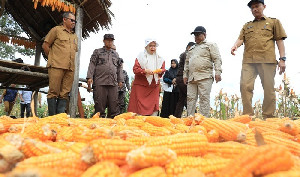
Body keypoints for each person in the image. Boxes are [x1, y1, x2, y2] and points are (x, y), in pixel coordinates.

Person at [231, 0, 287, 118]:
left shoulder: (273, 22)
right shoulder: (247, 25)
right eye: (252, 8)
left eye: (257, 6)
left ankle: (268, 117)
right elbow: (241, 38)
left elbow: (279, 40)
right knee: (244, 86)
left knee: (268, 89)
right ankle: (248, 116)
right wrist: (235, 45)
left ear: (264, 6)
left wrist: (282, 59)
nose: (254, 9)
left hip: (267, 60)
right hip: (248, 61)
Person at [42, 12, 78, 116]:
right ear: (64, 20)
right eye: (72, 20)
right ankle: (52, 118)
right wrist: (53, 59)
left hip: (70, 68)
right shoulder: (56, 30)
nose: (74, 22)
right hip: (56, 66)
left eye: (75, 21)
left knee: (65, 93)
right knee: (53, 92)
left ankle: (59, 118)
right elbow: (45, 45)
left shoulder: (74, 36)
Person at [183, 26, 222, 117]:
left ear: (204, 35)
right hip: (192, 77)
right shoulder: (192, 48)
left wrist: (218, 72)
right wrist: (185, 75)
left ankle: (204, 121)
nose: (196, 37)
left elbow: (217, 59)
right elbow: (187, 62)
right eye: (195, 35)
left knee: (204, 98)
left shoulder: (210, 45)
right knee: (190, 98)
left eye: (198, 35)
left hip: (205, 76)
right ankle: (190, 119)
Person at [86, 34, 123, 118]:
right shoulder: (97, 52)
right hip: (100, 82)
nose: (110, 42)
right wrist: (90, 77)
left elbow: (119, 68)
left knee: (114, 106)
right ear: (104, 41)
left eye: (111, 41)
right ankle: (99, 127)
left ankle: (112, 126)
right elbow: (92, 64)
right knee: (99, 107)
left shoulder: (116, 54)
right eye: (108, 40)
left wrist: (120, 80)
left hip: (113, 83)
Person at [127, 39, 166, 116]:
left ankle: (152, 121)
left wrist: (160, 71)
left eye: (154, 46)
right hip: (140, 86)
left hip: (153, 86)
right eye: (150, 46)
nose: (152, 48)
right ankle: (137, 122)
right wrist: (145, 71)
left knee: (153, 107)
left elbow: (162, 69)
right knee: (137, 108)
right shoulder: (140, 57)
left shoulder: (160, 59)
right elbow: (135, 69)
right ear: (146, 47)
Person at [174, 42, 195, 118]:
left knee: (181, 99)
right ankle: (193, 116)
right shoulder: (187, 54)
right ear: (189, 47)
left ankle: (177, 117)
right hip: (183, 78)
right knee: (189, 98)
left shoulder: (183, 54)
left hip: (179, 78)